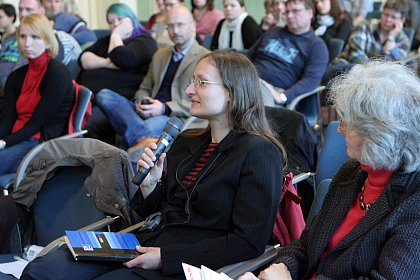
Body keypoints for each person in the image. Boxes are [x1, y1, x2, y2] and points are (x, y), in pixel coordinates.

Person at [22, 50, 286, 280]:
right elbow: (162, 212)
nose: (189, 90)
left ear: (231, 92)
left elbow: (247, 243)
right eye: (192, 80)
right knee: (43, 270)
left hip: (186, 262)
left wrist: (166, 257)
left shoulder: (259, 153)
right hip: (148, 243)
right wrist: (150, 187)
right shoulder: (186, 142)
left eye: (201, 83)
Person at [239, 60, 420, 280]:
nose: (340, 129)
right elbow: (307, 244)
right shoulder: (353, 172)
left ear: (379, 134)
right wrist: (284, 267)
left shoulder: (413, 203)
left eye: (347, 122)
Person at [95, 5, 209, 152]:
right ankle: (140, 139)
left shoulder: (205, 59)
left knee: (149, 126)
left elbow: (204, 102)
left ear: (193, 25)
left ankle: (131, 148)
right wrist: (141, 101)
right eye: (170, 26)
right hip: (145, 111)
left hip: (170, 116)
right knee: (104, 95)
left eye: (180, 24)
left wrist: (164, 107)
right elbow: (145, 87)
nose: (175, 31)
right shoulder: (160, 55)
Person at [0, 13, 74, 176]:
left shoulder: (57, 74)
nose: (27, 43)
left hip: (40, 144)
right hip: (17, 139)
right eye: (23, 36)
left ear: (47, 40)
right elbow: (7, 120)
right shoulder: (16, 76)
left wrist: (4, 142)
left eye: (35, 37)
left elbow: (36, 124)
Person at [79, 3, 157, 144]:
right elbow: (84, 59)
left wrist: (116, 35)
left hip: (121, 101)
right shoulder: (106, 41)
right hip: (92, 99)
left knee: (89, 127)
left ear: (131, 19)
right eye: (111, 22)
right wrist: (108, 62)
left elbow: (122, 58)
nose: (115, 24)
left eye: (120, 20)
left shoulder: (145, 41)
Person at [247, 0, 328, 105]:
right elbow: (249, 55)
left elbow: (311, 80)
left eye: (295, 11)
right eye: (287, 12)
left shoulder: (317, 46)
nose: (289, 16)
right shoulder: (274, 31)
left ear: (310, 13)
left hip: (274, 92)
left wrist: (284, 96)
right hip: (249, 80)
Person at [322, 0, 410, 84]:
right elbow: (355, 56)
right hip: (345, 69)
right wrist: (377, 71)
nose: (388, 19)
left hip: (372, 81)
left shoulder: (403, 41)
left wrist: (391, 39)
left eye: (393, 17)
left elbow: (394, 69)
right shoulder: (365, 26)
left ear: (402, 20)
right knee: (352, 69)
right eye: (386, 15)